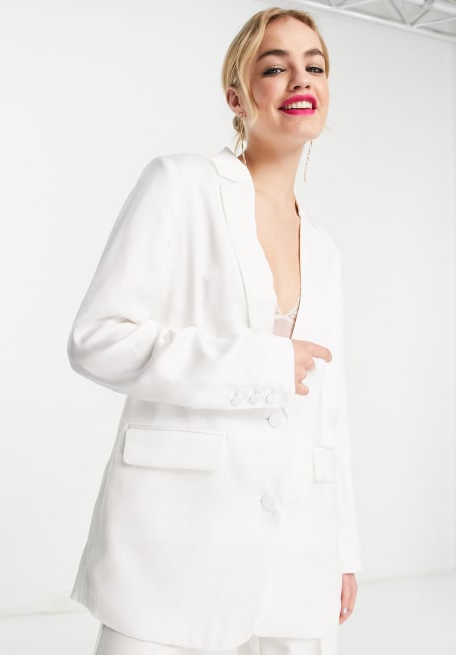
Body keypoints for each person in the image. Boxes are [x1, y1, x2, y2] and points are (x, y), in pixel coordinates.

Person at [67, 6, 362, 655]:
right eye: (274, 67)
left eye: (314, 66)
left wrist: (342, 547)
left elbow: (330, 410)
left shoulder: (324, 248)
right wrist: (258, 364)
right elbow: (97, 339)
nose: (300, 79)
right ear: (236, 96)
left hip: (299, 547)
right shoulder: (180, 184)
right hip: (174, 542)